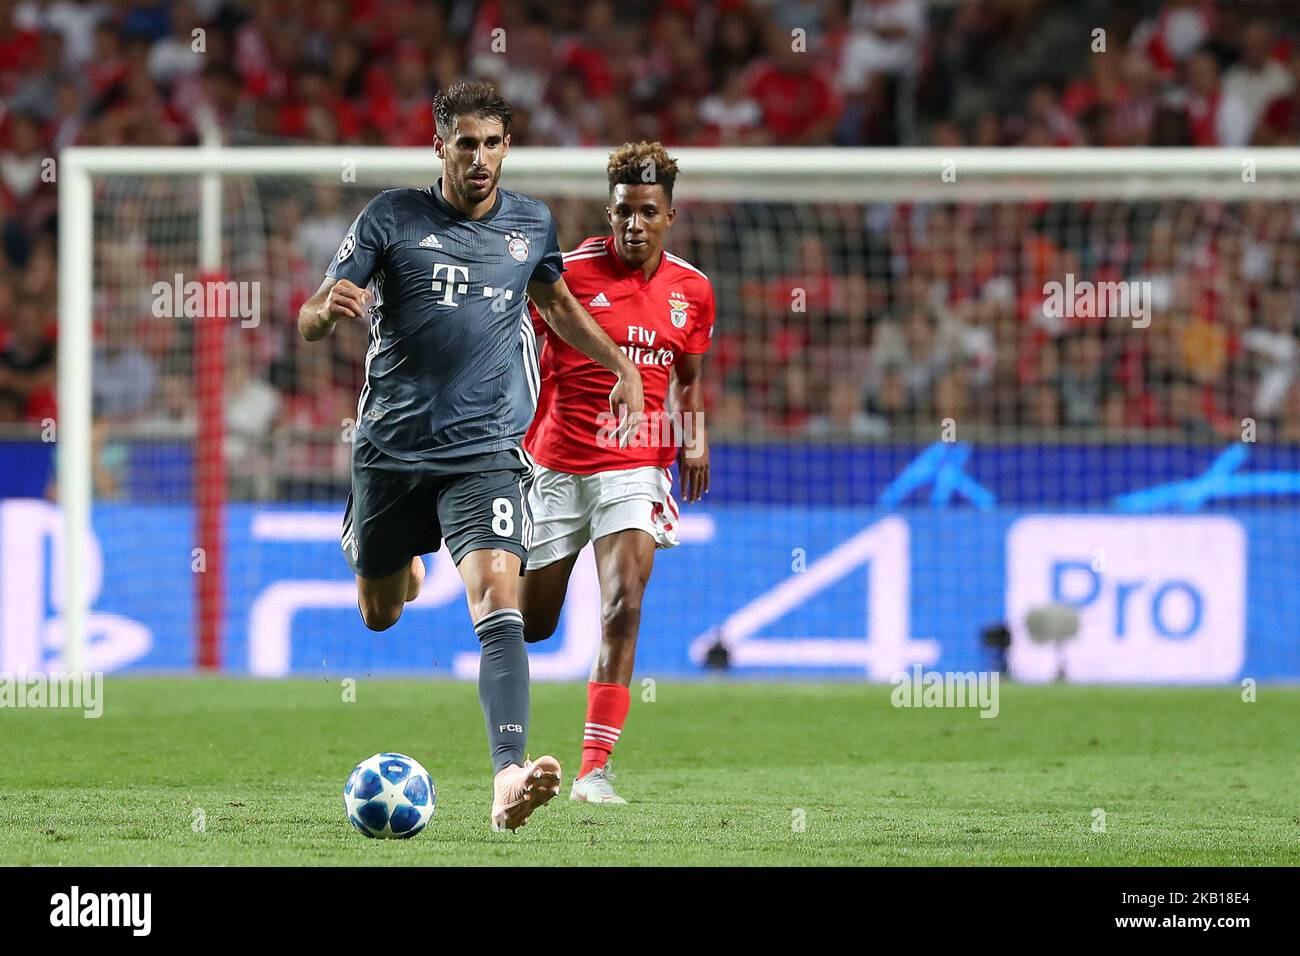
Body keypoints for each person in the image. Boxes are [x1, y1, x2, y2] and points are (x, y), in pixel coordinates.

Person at [295, 81, 644, 832]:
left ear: (506, 147)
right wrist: (328, 309)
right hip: (389, 449)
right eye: (465, 144)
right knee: (380, 613)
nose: (479, 158)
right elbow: (310, 316)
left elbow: (555, 305)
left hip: (485, 450)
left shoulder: (530, 224)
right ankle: (404, 562)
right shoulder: (390, 216)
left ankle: (508, 774)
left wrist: (620, 365)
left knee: (496, 598)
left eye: (492, 143)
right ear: (440, 147)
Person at [521, 141, 713, 804]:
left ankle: (593, 769)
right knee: (534, 624)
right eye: (623, 212)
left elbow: (688, 380)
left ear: (670, 216)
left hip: (635, 465)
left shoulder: (693, 291)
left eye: (647, 212)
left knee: (623, 603)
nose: (634, 224)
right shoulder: (564, 274)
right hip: (555, 464)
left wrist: (693, 439)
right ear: (610, 212)